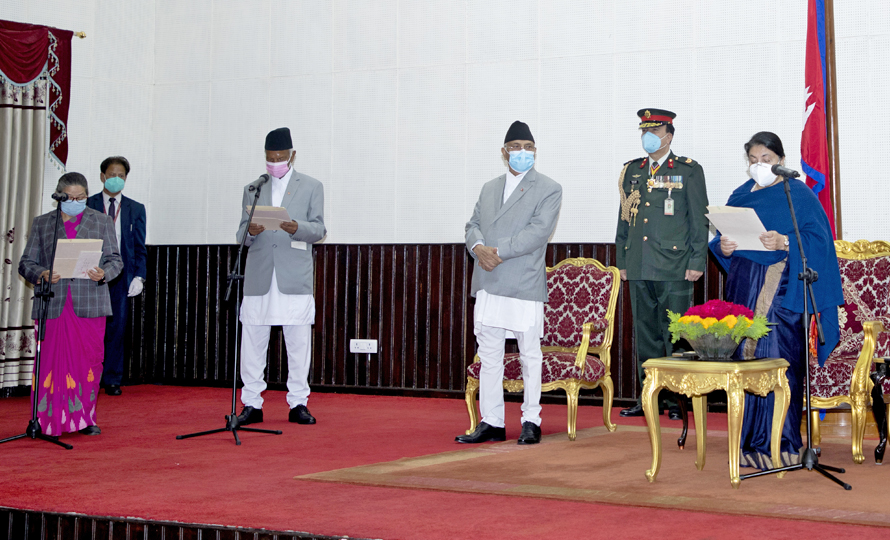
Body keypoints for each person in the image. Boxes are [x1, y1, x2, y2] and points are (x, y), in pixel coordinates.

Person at [709, 131, 843, 469]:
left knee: (779, 359)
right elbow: (723, 239)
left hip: (782, 291)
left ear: (781, 161)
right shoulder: (740, 195)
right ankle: (748, 442)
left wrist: (785, 241)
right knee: (745, 363)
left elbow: (819, 240)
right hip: (743, 290)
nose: (759, 166)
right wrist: (720, 247)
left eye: (766, 159)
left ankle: (782, 441)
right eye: (753, 160)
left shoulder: (796, 193)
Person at [456, 121, 563, 445]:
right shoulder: (489, 187)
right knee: (488, 353)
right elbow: (472, 224)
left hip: (521, 279)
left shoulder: (548, 188)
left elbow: (537, 233)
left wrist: (496, 251)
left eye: (528, 147)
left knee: (530, 353)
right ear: (504, 152)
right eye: (516, 147)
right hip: (488, 278)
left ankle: (531, 419)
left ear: (535, 152)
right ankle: (492, 421)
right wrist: (477, 248)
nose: (522, 153)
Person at [615, 109, 710, 420]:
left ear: (669, 135)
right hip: (640, 263)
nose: (648, 136)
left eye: (654, 131)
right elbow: (625, 219)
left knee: (676, 334)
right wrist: (623, 260)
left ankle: (678, 400)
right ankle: (650, 396)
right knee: (646, 333)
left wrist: (697, 259)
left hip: (675, 264)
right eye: (644, 130)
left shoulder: (688, 170)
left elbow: (699, 220)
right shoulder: (633, 170)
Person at [18, 172, 123, 437]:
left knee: (88, 362)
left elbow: (115, 260)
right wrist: (41, 273)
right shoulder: (43, 224)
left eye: (82, 198)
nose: (76, 202)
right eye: (71, 198)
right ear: (59, 197)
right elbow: (25, 263)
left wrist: (104, 273)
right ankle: (46, 419)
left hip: (88, 303)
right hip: (53, 303)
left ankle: (84, 418)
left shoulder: (101, 221)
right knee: (49, 363)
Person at [235, 127, 326, 426]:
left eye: (280, 158)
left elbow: (319, 230)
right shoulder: (253, 188)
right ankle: (251, 404)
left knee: (298, 342)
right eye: (270, 158)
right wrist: (251, 231)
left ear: (292, 156)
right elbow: (240, 235)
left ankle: (298, 402)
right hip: (259, 274)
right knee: (253, 340)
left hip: (293, 274)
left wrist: (295, 226)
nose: (275, 163)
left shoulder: (311, 186)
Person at [87, 156, 147, 396]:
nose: (116, 179)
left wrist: (139, 276)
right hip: (90, 274)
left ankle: (112, 378)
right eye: (112, 174)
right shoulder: (88, 204)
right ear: (102, 176)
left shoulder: (135, 208)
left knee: (116, 328)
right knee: (91, 328)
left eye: (121, 176)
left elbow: (139, 246)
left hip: (121, 275)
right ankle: (89, 376)